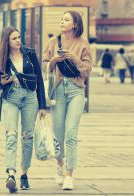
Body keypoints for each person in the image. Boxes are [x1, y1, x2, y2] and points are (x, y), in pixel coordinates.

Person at [42, 11, 92, 191]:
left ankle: (69, 175)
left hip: (76, 90)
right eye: (61, 19)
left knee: (71, 133)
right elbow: (44, 65)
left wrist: (75, 58)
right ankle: (59, 165)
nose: (62, 22)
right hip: (58, 89)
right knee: (59, 134)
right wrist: (54, 60)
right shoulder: (53, 42)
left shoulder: (83, 43)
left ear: (75, 25)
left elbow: (87, 70)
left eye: (66, 19)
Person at [0, 27, 47, 193]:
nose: (18, 40)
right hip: (11, 97)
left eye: (18, 37)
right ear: (7, 42)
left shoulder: (30, 54)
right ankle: (11, 173)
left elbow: (38, 79)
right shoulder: (1, 59)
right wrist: (2, 82)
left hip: (30, 97)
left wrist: (42, 104)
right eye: (14, 39)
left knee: (27, 136)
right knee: (11, 134)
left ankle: (24, 172)